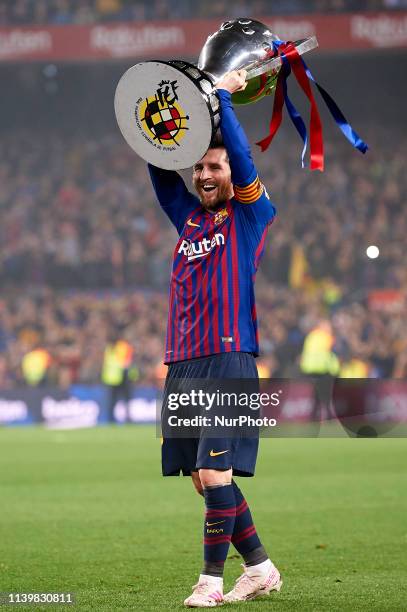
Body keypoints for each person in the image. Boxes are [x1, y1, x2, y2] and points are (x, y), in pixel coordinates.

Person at [148, 69, 282, 607]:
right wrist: (156, 127)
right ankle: (261, 568)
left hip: (228, 358)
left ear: (234, 173)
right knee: (204, 482)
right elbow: (161, 175)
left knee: (213, 469)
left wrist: (223, 96)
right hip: (183, 363)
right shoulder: (189, 222)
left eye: (215, 166)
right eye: (199, 166)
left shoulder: (250, 215)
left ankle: (210, 582)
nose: (204, 174)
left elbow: (245, 162)